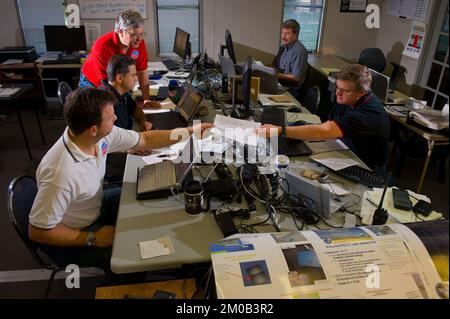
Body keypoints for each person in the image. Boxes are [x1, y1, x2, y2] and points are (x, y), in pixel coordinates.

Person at [28, 88, 212, 270]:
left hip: (93, 205)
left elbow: (145, 139)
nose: (116, 119)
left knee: (146, 199)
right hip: (75, 232)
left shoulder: (93, 135)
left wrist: (190, 131)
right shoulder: (61, 173)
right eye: (111, 117)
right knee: (133, 260)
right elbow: (38, 231)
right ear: (93, 129)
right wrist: (93, 238)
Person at [257, 64, 390, 175]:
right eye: (337, 87)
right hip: (344, 149)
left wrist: (280, 131)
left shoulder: (369, 114)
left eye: (344, 90)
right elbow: (330, 124)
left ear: (361, 92)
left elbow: (324, 131)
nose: (337, 93)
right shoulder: (347, 99)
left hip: (366, 167)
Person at [79, 10, 159, 109]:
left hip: (117, 81)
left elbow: (142, 71)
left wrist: (146, 99)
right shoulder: (102, 46)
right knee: (101, 112)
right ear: (121, 32)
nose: (139, 39)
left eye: (141, 34)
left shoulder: (138, 44)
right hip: (94, 81)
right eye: (134, 35)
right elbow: (108, 85)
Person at [272, 19, 308, 101]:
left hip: (291, 91)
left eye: (287, 34)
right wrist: (261, 68)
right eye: (282, 33)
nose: (283, 37)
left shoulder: (300, 51)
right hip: (280, 85)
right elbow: (274, 64)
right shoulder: (283, 47)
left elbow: (296, 77)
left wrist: (275, 75)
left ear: (296, 34)